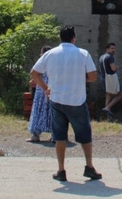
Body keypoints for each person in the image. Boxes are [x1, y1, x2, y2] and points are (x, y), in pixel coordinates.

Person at [31, 25, 102, 182]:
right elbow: (92, 77)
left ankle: (61, 170)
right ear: (74, 38)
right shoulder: (83, 54)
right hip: (77, 100)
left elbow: (34, 73)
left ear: (60, 38)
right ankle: (89, 166)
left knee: (59, 136)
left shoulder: (50, 54)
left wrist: (45, 88)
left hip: (57, 100)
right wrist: (79, 78)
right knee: (84, 135)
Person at [27, 45, 53, 143]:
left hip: (41, 88)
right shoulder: (54, 62)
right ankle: (55, 135)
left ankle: (35, 135)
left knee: (38, 110)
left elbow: (34, 74)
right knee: (51, 111)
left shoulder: (41, 62)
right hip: (51, 87)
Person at [98, 42, 122, 120]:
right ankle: (108, 108)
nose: (113, 50)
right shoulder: (109, 57)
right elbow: (113, 68)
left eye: (114, 48)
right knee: (120, 94)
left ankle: (108, 117)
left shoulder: (101, 57)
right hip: (110, 78)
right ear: (107, 49)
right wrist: (117, 67)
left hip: (103, 78)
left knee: (108, 95)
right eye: (112, 48)